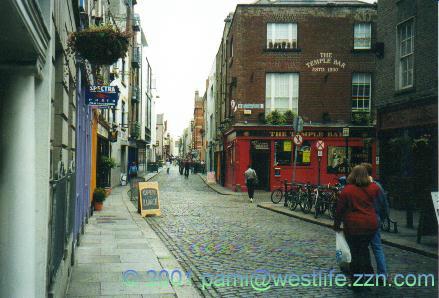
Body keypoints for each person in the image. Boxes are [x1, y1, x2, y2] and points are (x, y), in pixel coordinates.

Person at [333, 165, 380, 292]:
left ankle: (357, 283)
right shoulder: (374, 188)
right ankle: (369, 280)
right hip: (370, 224)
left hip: (354, 226)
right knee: (364, 251)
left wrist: (336, 225)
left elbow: (340, 210)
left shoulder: (347, 190)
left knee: (355, 253)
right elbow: (379, 204)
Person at [361, 162, 389, 281]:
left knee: (362, 249)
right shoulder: (377, 186)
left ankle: (365, 275)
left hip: (362, 221)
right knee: (377, 248)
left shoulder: (359, 186)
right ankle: (382, 275)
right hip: (375, 219)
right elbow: (384, 205)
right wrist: (382, 218)